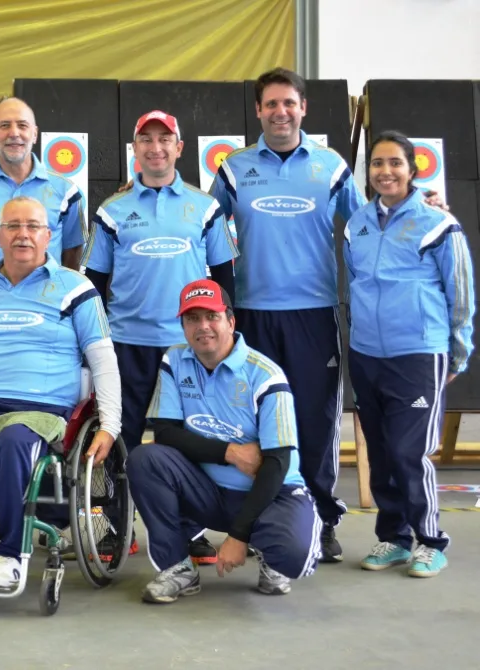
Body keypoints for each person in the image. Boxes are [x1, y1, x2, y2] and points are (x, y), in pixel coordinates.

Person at [208, 68, 367, 562]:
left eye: (289, 104)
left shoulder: (332, 167)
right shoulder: (234, 169)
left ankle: (320, 519)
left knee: (315, 424)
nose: (280, 112)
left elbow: (367, 227)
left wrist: (415, 207)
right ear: (258, 111)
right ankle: (257, 518)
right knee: (253, 423)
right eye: (271, 104)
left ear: (304, 109)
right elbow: (203, 225)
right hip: (251, 317)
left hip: (314, 315)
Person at [0, 195, 122, 587]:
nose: (23, 234)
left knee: (16, 442)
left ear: (49, 235)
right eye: (12, 226)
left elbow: (103, 359)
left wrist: (110, 427)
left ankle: (10, 554)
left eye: (33, 226)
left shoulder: (75, 288)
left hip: (38, 409)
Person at [84, 110, 238, 565]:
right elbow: (93, 280)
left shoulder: (204, 207)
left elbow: (226, 277)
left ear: (179, 148)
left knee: (185, 441)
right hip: (126, 343)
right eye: (145, 139)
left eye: (164, 139)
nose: (155, 147)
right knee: (119, 436)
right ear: (135, 148)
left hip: (187, 347)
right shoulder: (112, 209)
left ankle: (187, 530)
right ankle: (115, 526)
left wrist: (225, 338)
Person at [131, 278, 321, 603]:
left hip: (271, 494)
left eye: (212, 316)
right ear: (183, 325)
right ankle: (178, 568)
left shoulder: (265, 375)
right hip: (209, 489)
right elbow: (165, 432)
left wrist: (238, 535)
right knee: (145, 459)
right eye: (192, 318)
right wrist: (231, 453)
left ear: (230, 321)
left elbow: (277, 463)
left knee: (294, 557)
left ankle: (269, 549)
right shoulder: (175, 361)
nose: (202, 326)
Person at [343, 131, 475, 578]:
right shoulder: (356, 223)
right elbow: (356, 280)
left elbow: (461, 291)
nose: (385, 172)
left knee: (408, 451)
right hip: (366, 354)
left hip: (418, 353)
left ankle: (430, 540)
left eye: (395, 163)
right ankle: (393, 538)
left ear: (413, 169)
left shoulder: (438, 223)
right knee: (380, 452)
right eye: (377, 164)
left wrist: (458, 351)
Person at [0, 97, 87, 280]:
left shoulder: (66, 191)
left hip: (46, 305)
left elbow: (73, 255)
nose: (14, 133)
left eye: (22, 125)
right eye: (4, 126)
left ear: (34, 134)